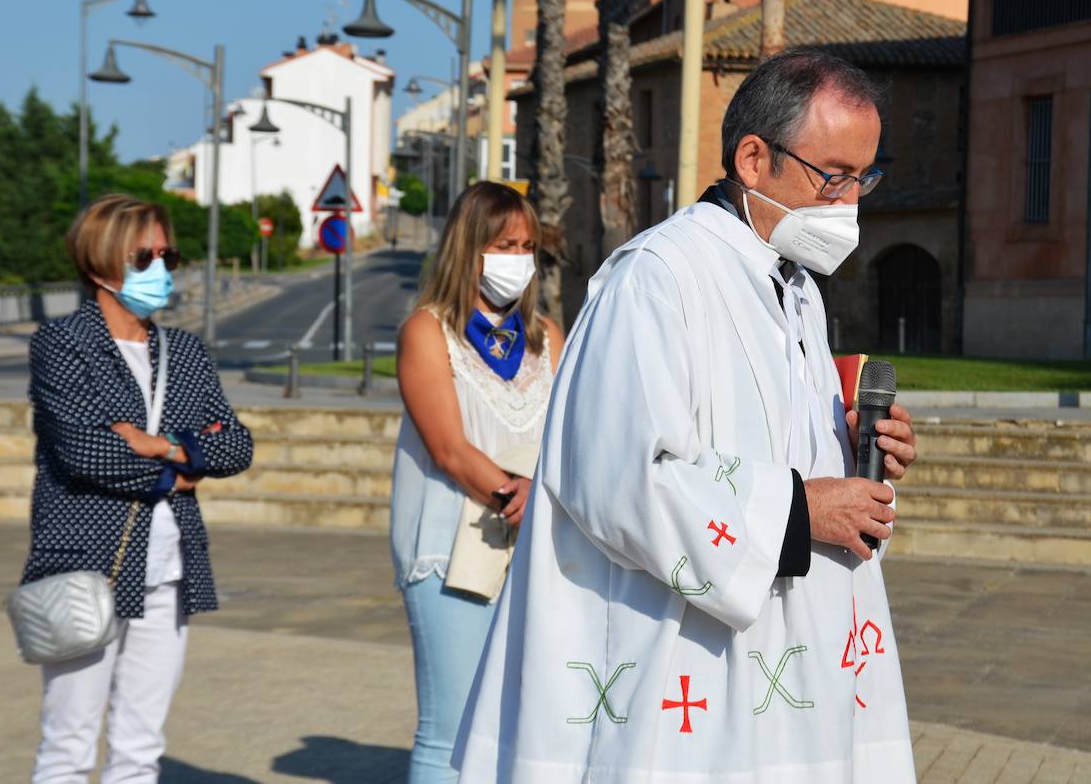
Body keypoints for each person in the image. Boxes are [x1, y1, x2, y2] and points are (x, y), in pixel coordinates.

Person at [453, 50, 920, 782]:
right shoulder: (656, 278)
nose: (849, 201)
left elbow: (772, 446)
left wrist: (859, 451)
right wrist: (798, 512)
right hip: (682, 670)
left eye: (863, 178)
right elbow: (619, 478)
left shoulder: (796, 289)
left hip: (788, 662)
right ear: (754, 158)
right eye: (833, 175)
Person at [22, 194, 254, 784]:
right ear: (100, 264)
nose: (160, 267)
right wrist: (184, 456)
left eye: (166, 253)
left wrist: (159, 445)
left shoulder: (186, 351)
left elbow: (235, 447)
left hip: (171, 567)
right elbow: (83, 452)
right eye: (143, 255)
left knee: (141, 745)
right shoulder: (62, 344)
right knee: (68, 745)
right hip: (84, 568)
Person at [390, 182, 565, 783]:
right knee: (451, 729)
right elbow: (447, 446)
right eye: (503, 245)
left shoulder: (548, 336)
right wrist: (513, 492)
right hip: (451, 547)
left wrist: (541, 497)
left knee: (518, 724)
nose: (518, 259)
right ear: (469, 248)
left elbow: (569, 438)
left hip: (533, 545)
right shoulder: (426, 332)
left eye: (527, 246)